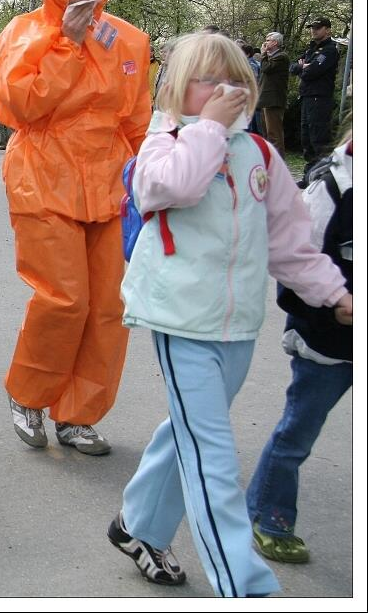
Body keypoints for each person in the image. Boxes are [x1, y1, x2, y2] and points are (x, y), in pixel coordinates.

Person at [111, 32, 351, 596]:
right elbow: (171, 188)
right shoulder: (164, 144)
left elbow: (290, 247)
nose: (225, 90)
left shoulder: (261, 156)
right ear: (172, 89)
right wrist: (211, 130)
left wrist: (336, 294)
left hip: (237, 327)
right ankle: (246, 587)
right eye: (207, 80)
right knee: (214, 458)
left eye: (235, 80)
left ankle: (139, 525)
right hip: (180, 323)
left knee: (191, 432)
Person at [0, 0, 151, 454]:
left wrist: (150, 177)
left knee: (108, 304)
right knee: (64, 298)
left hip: (111, 181)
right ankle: (29, 394)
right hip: (42, 175)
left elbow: (137, 119)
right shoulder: (25, 34)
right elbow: (17, 107)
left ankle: (77, 414)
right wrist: (66, 46)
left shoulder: (128, 40)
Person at [246, 125, 352, 565]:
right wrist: (336, 305)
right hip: (325, 341)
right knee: (298, 432)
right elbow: (297, 263)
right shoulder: (332, 188)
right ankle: (269, 515)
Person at [291, 17, 340, 182]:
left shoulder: (330, 50)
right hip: (307, 98)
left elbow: (311, 72)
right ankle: (309, 176)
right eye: (312, 28)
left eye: (318, 28)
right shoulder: (312, 49)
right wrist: (301, 67)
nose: (314, 30)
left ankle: (322, 178)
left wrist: (303, 68)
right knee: (307, 138)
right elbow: (293, 67)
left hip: (320, 99)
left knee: (318, 138)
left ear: (327, 30)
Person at [256, 31, 289, 157]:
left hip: (274, 100)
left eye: (268, 40)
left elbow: (266, 68)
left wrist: (263, 55)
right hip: (266, 100)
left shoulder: (281, 57)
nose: (265, 42)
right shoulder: (271, 57)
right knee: (266, 133)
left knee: (274, 134)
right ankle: (270, 159)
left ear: (275, 42)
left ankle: (279, 161)